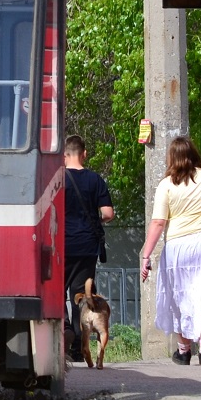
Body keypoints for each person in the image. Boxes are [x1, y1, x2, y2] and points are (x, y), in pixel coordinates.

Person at [139, 135, 201, 366]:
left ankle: (183, 351)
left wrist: (146, 255)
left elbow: (158, 222)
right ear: (193, 154)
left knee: (179, 297)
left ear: (171, 158)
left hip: (177, 247)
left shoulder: (166, 185)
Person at [63, 135, 114, 363]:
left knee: (57, 292)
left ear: (64, 155)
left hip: (61, 245)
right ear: (84, 154)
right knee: (82, 297)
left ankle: (64, 330)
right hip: (86, 246)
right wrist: (93, 220)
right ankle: (78, 348)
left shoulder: (57, 179)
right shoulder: (95, 180)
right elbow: (108, 213)